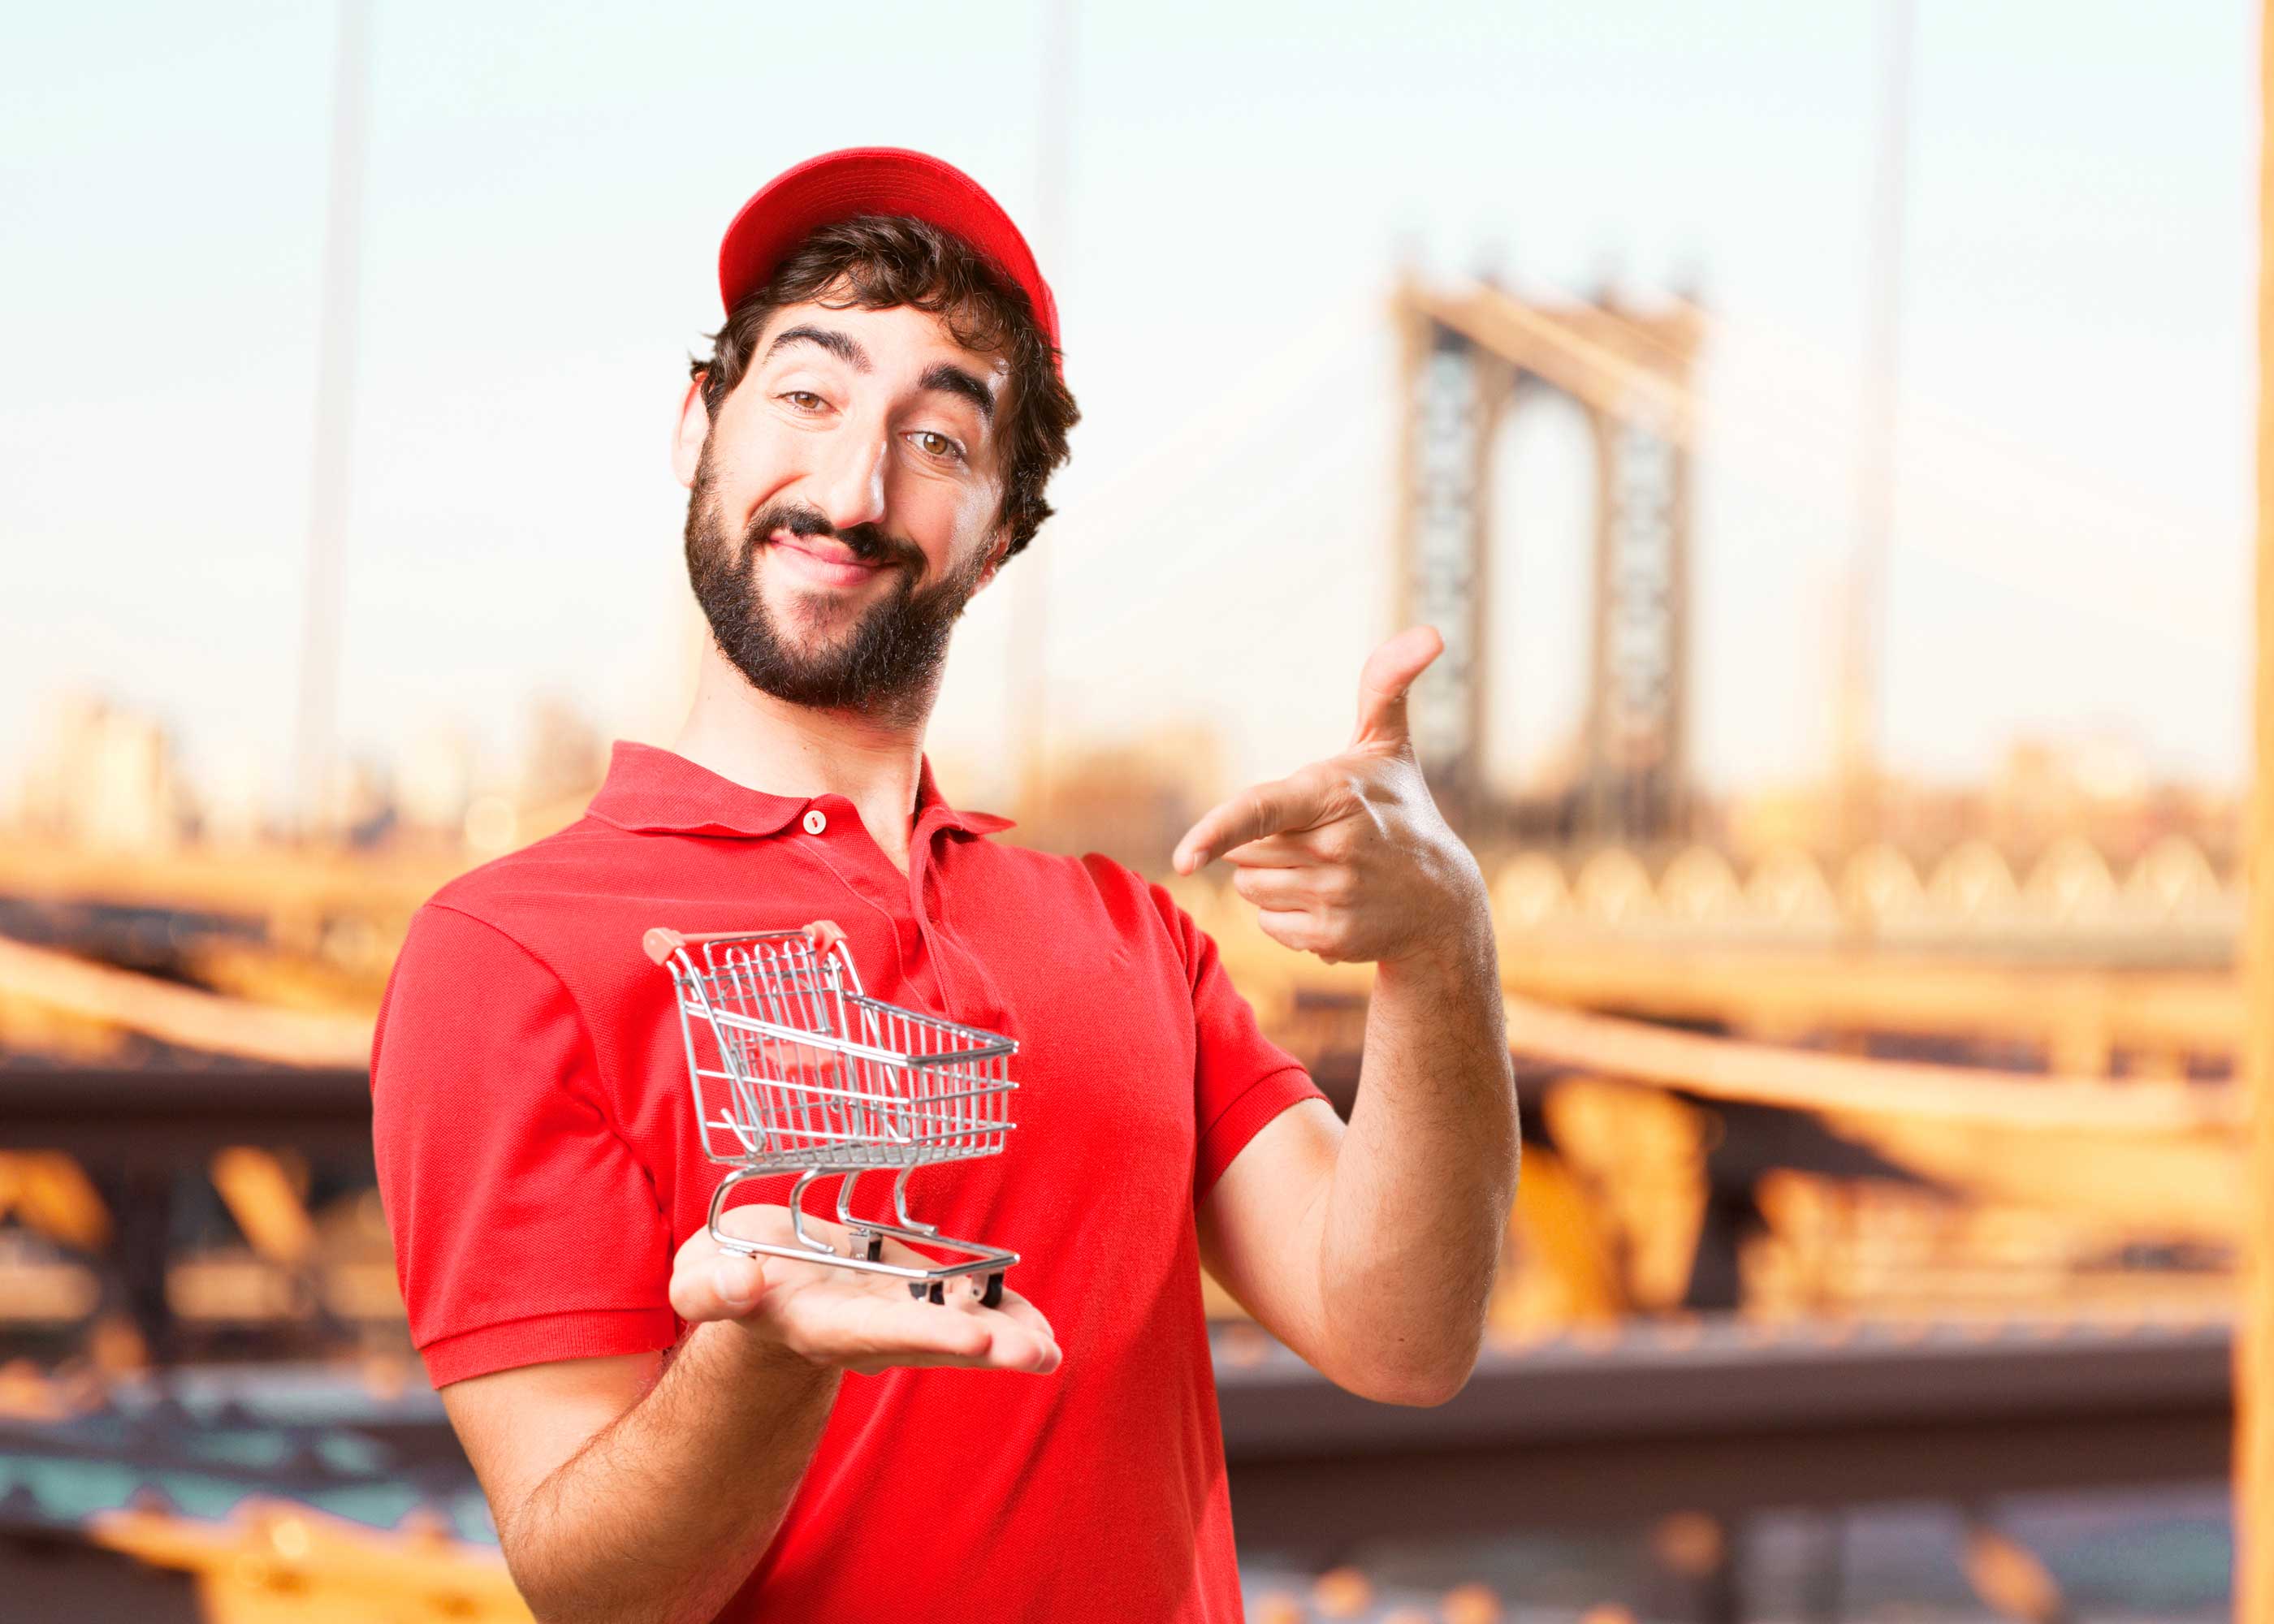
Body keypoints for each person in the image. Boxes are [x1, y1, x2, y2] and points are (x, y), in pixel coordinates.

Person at [370, 145, 1519, 1624]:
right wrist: (764, 1362)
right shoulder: (503, 958)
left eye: (941, 441)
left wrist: (1444, 941)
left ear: (996, 542)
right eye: (808, 393)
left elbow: (1402, 1336)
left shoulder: (1130, 935)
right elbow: (599, 1594)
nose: (853, 485)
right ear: (696, 426)